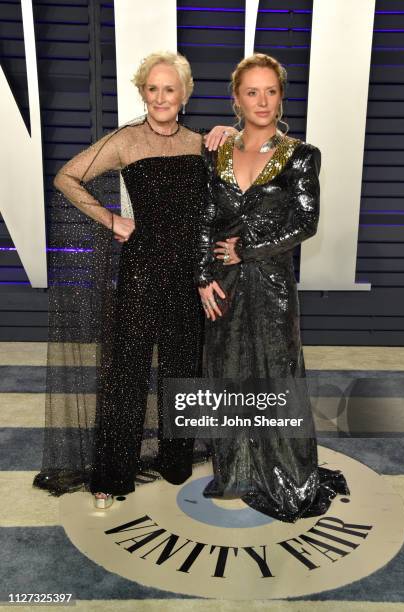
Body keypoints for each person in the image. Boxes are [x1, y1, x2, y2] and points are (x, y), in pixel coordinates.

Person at [32, 51, 234, 509]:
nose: (161, 97)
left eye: (170, 89)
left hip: (188, 275)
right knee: (127, 374)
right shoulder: (125, 141)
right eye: (153, 88)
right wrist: (109, 218)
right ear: (143, 92)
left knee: (183, 370)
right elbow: (67, 177)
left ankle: (175, 460)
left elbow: (270, 148)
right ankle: (112, 474)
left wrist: (234, 131)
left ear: (184, 95)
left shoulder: (202, 144)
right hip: (142, 271)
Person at [197, 53, 349, 522]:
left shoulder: (300, 155)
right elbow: (205, 218)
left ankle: (286, 471)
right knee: (227, 372)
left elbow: (306, 222)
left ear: (281, 97)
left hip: (271, 284)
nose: (262, 101)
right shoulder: (218, 150)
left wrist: (249, 248)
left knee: (275, 373)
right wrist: (203, 276)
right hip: (222, 283)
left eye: (271, 91)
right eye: (251, 92)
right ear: (237, 99)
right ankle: (237, 469)